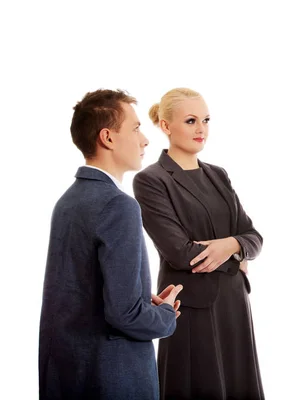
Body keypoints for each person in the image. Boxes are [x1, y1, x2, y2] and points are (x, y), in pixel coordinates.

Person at [39, 89, 183, 400]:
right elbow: (125, 316)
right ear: (108, 137)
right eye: (135, 128)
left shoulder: (68, 201)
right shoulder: (118, 206)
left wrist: (140, 296)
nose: (144, 140)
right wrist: (166, 315)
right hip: (113, 380)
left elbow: (82, 294)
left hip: (68, 377)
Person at [133, 88, 264, 400]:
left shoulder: (218, 175)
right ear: (165, 126)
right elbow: (180, 253)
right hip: (190, 307)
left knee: (238, 384)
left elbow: (254, 238)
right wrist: (235, 252)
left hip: (233, 304)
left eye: (205, 120)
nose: (201, 128)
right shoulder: (152, 180)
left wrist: (231, 243)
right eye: (191, 121)